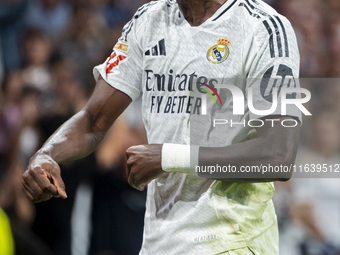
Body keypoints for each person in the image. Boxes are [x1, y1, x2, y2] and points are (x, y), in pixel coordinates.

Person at [22, 0, 302, 254]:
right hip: (160, 243)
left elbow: (278, 156)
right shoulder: (148, 20)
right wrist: (46, 155)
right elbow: (93, 119)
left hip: (233, 242)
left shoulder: (264, 28)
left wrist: (168, 158)